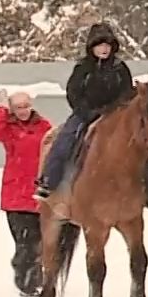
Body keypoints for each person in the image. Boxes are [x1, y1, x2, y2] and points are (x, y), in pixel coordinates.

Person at [35, 22, 135, 200]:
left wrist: (117, 109)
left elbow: (128, 92)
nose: (104, 49)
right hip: (85, 114)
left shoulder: (120, 69)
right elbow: (73, 92)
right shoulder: (83, 68)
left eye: (107, 45)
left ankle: (147, 190)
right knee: (64, 140)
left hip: (115, 115)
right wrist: (86, 111)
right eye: (100, 45)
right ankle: (49, 180)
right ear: (92, 47)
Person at [0, 88, 52, 296]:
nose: (23, 111)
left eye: (26, 106)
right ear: (12, 110)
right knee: (23, 242)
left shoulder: (44, 126)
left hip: (37, 193)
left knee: (37, 242)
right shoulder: (8, 128)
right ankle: (26, 279)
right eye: (17, 108)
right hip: (15, 194)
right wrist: (0, 109)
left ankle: (33, 281)